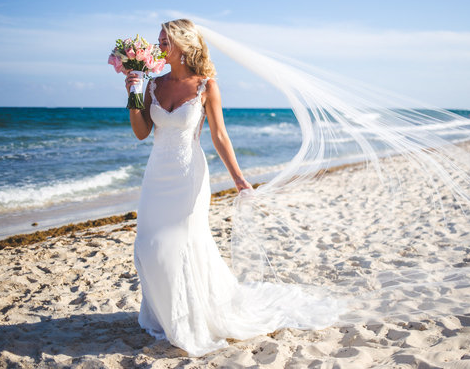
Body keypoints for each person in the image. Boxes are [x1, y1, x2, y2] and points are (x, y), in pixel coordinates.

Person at [123, 19, 340, 357]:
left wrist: (239, 178)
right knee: (149, 245)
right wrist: (132, 93)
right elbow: (140, 132)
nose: (159, 45)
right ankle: (166, 315)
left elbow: (220, 136)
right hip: (157, 175)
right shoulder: (152, 84)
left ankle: (190, 316)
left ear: (182, 45)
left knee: (182, 243)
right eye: (159, 39)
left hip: (188, 175)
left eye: (165, 40)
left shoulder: (206, 86)